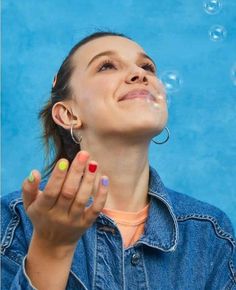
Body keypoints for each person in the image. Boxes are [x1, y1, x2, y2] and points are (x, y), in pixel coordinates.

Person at [1, 31, 236, 290]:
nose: (140, 74)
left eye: (147, 66)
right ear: (68, 114)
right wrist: (51, 247)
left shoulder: (209, 233)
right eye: (107, 66)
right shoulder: (15, 220)